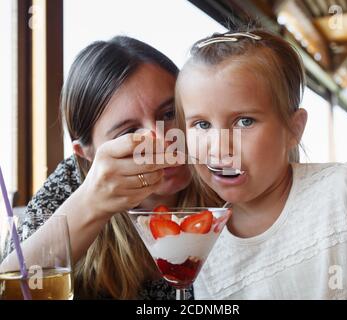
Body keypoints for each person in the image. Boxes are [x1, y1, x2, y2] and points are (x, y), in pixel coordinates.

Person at [175, 29, 347, 299]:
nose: (219, 146)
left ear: (293, 129)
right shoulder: (204, 250)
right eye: (202, 124)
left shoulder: (343, 190)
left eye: (244, 121)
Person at [19, 35, 212, 299]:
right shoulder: (70, 184)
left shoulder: (224, 170)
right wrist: (92, 203)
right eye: (129, 131)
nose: (160, 140)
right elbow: (13, 287)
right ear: (86, 154)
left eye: (169, 114)